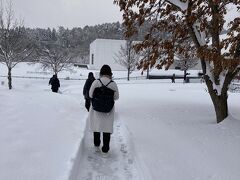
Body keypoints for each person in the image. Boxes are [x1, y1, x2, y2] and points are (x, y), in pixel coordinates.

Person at [88, 64, 119, 155]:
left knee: (96, 127)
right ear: (110, 73)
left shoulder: (96, 82)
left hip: (96, 110)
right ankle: (105, 150)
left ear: (101, 73)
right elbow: (116, 97)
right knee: (106, 130)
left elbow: (90, 95)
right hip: (108, 111)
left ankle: (96, 145)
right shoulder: (113, 83)